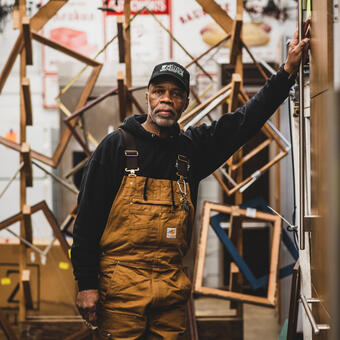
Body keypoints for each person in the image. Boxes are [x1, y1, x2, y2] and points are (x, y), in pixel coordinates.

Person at [71, 24, 309, 339]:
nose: (166, 100)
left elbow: (245, 121)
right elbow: (86, 222)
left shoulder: (191, 150)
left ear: (185, 101)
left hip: (170, 289)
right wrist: (86, 285)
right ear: (148, 97)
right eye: (159, 92)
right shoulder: (116, 147)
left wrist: (288, 72)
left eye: (175, 93)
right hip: (120, 289)